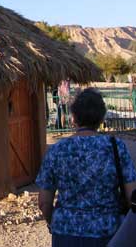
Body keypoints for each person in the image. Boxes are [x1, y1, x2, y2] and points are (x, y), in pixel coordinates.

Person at [36, 88, 136, 247]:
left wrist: (52, 223)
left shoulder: (57, 150)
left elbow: (44, 202)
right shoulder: (116, 147)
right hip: (108, 233)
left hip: (65, 232)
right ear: (101, 117)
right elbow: (132, 196)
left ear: (73, 118)